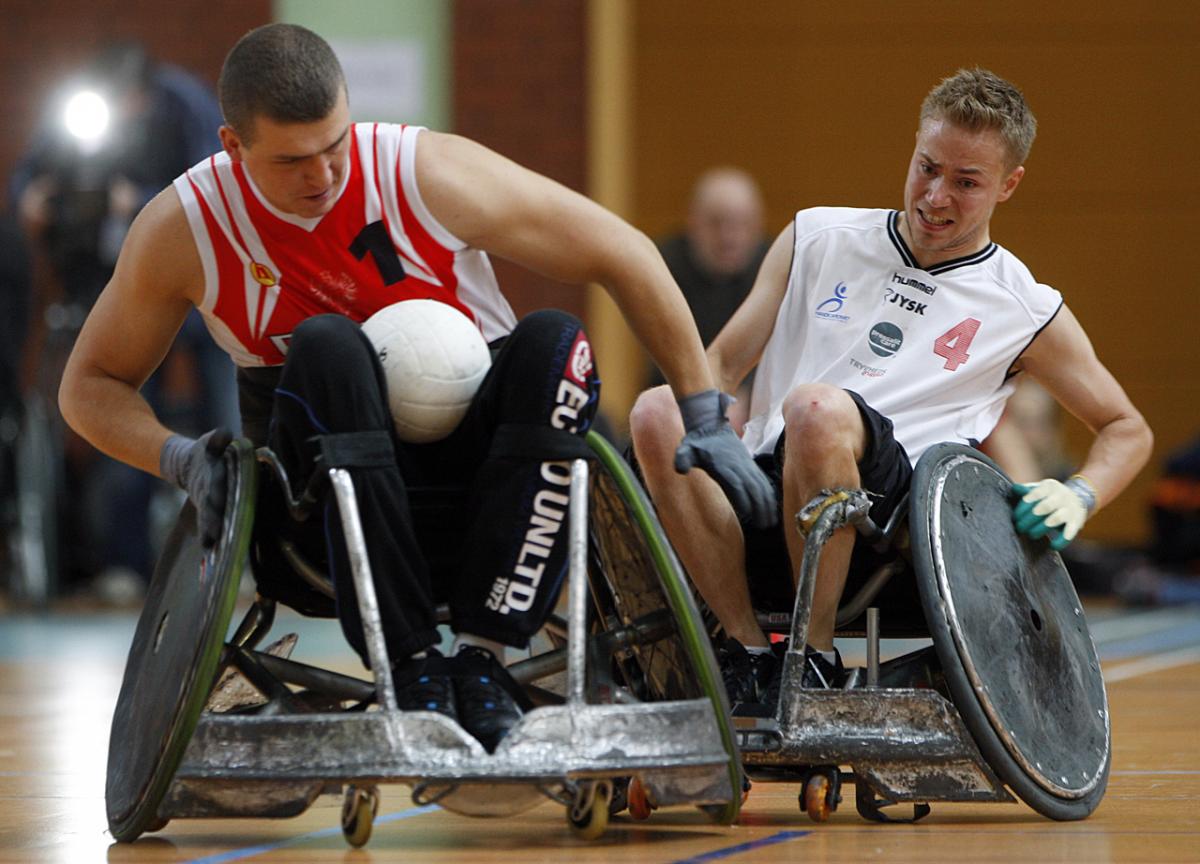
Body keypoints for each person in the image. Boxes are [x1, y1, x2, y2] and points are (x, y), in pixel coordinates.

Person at [58, 24, 775, 753]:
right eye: (293, 160)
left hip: (486, 494)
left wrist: (703, 413)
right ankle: (408, 663)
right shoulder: (186, 226)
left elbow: (622, 250)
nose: (323, 176)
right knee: (329, 343)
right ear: (233, 147)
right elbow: (89, 385)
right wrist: (179, 459)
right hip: (316, 518)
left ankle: (482, 657)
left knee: (557, 339)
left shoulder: (423, 171)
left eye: (335, 145)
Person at [629, 67, 1153, 712]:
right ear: (913, 148)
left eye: (966, 183)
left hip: (896, 511)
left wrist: (1080, 494)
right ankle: (744, 652)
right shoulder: (816, 237)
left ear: (1008, 185)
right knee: (660, 407)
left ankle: (812, 656)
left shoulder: (1024, 306)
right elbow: (717, 370)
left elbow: (1128, 427)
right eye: (927, 168)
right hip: (768, 481)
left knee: (814, 408)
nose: (935, 196)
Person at [10, 41, 240, 597]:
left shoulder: (187, 104)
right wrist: (31, 199)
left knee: (230, 416)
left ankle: (244, 553)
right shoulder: (77, 110)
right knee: (128, 416)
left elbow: (220, 186)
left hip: (204, 287)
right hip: (125, 290)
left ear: (146, 92)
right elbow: (30, 178)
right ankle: (128, 565)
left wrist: (134, 199)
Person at [652, 167, 769, 431]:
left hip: (756, 403)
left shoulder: (774, 267)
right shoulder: (664, 265)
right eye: (717, 223)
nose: (730, 237)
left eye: (742, 224)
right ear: (693, 221)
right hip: (677, 393)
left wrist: (748, 401)